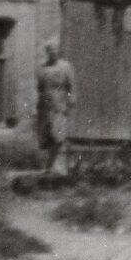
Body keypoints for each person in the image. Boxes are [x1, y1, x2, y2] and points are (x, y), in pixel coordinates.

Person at [34, 39, 76, 174]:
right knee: (45, 135)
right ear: (47, 52)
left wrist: (71, 100)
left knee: (58, 135)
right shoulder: (42, 67)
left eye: (55, 49)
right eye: (50, 49)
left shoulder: (66, 66)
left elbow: (71, 86)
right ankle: (49, 165)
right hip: (44, 105)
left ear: (59, 50)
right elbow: (39, 86)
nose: (53, 52)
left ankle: (54, 164)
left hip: (59, 103)